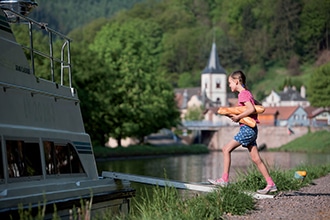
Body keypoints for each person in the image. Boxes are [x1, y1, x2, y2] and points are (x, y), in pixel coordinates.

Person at [208, 70, 277, 194]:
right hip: (252, 129)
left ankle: (224, 179)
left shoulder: (242, 95)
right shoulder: (248, 93)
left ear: (236, 81)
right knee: (256, 159)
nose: (229, 86)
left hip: (247, 129)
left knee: (225, 149)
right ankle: (270, 183)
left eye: (230, 83)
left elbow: (250, 109)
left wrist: (238, 117)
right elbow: (257, 105)